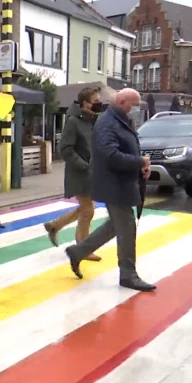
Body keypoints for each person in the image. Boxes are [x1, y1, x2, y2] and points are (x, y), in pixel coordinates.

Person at [63, 88, 156, 292]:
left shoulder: (121, 119)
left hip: (121, 182)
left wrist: (141, 166)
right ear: (122, 102)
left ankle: (77, 251)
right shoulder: (107, 123)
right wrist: (139, 161)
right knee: (127, 227)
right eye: (134, 105)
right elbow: (110, 154)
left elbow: (125, 147)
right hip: (113, 184)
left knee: (115, 226)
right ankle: (128, 275)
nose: (136, 110)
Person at [44, 87, 104, 261]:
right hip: (80, 174)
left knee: (85, 208)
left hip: (92, 172)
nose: (99, 104)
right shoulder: (73, 122)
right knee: (88, 210)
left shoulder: (92, 120)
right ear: (85, 104)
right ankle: (83, 247)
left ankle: (55, 226)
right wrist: (84, 165)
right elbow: (65, 149)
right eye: (96, 101)